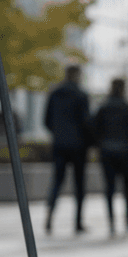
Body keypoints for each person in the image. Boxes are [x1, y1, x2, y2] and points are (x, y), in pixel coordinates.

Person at [92, 77, 128, 235]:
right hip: (125, 152)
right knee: (127, 187)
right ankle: (127, 218)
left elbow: (94, 128)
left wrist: (99, 145)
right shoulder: (127, 107)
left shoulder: (103, 107)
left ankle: (111, 221)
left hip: (107, 152)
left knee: (109, 188)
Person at [44, 63, 92, 234]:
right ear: (77, 74)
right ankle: (78, 222)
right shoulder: (81, 94)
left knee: (57, 181)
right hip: (78, 145)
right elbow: (86, 122)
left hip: (59, 144)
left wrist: (58, 133)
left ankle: (49, 218)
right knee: (79, 185)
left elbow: (47, 120)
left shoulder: (55, 93)